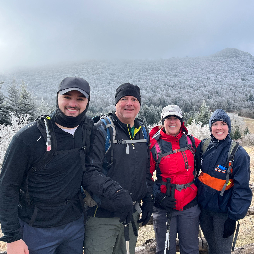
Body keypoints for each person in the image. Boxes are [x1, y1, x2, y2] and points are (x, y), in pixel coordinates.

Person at [0, 77, 132, 254]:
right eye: (67, 97)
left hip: (74, 226)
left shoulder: (88, 130)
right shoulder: (29, 138)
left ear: (87, 102)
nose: (73, 103)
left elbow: (93, 170)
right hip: (37, 229)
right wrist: (12, 237)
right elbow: (7, 187)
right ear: (57, 98)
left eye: (80, 99)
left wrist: (118, 193)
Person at [84, 83, 154, 254]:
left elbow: (143, 170)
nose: (129, 103)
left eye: (134, 99)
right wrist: (116, 194)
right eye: (124, 99)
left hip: (131, 215)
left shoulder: (142, 131)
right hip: (102, 216)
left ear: (139, 104)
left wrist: (148, 195)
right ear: (116, 103)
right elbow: (89, 172)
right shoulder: (102, 129)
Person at [195, 109, 252, 254]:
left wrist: (233, 217)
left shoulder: (239, 154)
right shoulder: (204, 147)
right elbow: (195, 174)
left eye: (223, 123)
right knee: (211, 248)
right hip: (204, 211)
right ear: (210, 127)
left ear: (229, 127)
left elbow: (242, 189)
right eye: (215, 124)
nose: (219, 127)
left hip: (223, 214)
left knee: (222, 251)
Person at [150, 105, 201, 254]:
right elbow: (145, 176)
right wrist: (158, 196)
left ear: (181, 121)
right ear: (162, 122)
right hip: (165, 206)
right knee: (165, 250)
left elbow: (211, 153)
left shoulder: (191, 142)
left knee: (191, 250)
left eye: (176, 118)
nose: (172, 122)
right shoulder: (154, 145)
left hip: (189, 205)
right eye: (168, 118)